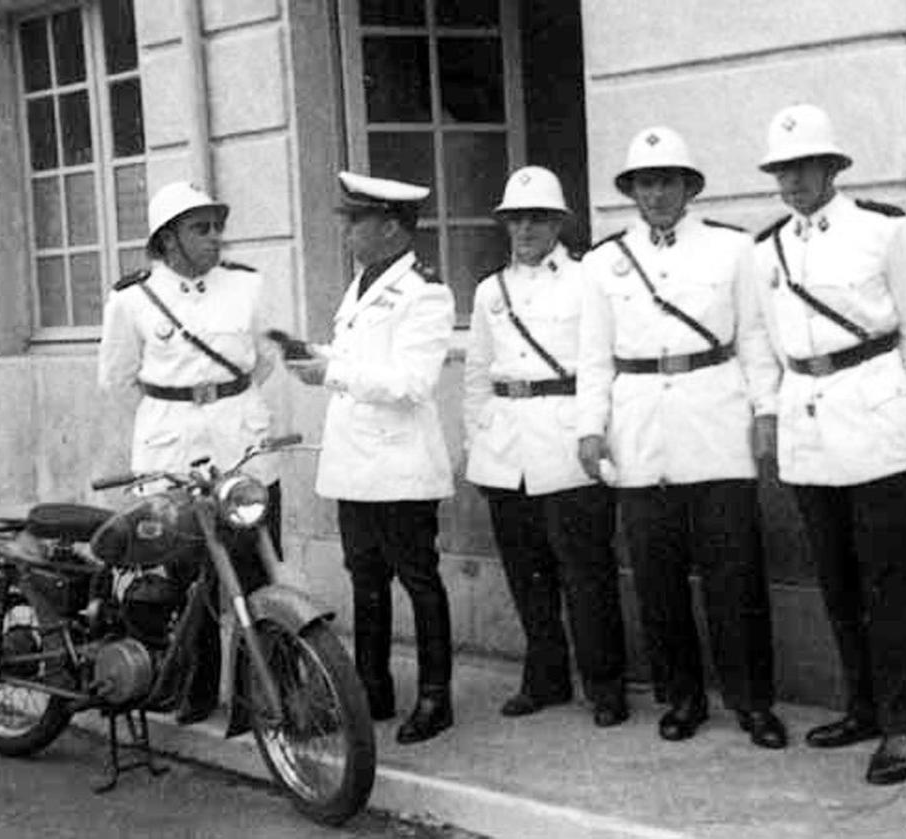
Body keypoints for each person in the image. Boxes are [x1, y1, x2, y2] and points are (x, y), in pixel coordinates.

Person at [752, 104, 906, 784]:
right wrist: (769, 412)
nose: (794, 180)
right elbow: (762, 343)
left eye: (806, 166)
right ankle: (863, 706)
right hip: (807, 426)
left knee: (890, 582)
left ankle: (902, 724)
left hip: (875, 426)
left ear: (833, 168)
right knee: (836, 580)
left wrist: (893, 405)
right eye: (782, 169)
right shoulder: (765, 250)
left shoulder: (882, 230)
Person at [575, 127, 788, 749]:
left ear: (690, 188)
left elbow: (753, 338)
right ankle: (683, 698)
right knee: (658, 578)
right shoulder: (603, 263)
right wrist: (591, 428)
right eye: (646, 182)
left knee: (736, 576)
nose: (658, 193)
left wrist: (766, 411)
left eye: (669, 181)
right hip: (641, 432)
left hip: (716, 426)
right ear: (632, 193)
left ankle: (753, 703)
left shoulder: (732, 249)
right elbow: (593, 358)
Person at [97, 181, 279, 722]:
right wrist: (177, 406)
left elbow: (264, 358)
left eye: (216, 226)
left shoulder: (247, 286)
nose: (214, 237)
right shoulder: (132, 299)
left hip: (241, 441)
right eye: (200, 228)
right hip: (171, 447)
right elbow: (117, 377)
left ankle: (257, 697)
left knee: (252, 571)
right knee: (184, 576)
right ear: (167, 239)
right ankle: (193, 692)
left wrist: (223, 402)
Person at [286, 171, 455, 744]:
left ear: (390, 226)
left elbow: (411, 382)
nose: (349, 231)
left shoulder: (426, 293)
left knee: (419, 580)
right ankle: (371, 687)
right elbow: (359, 356)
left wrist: (331, 371)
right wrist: (312, 353)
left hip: (401, 464)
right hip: (355, 462)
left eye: (356, 221)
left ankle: (436, 697)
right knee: (366, 580)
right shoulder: (363, 282)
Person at [463, 166, 628, 725]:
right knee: (527, 574)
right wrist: (478, 437)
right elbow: (477, 375)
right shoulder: (491, 290)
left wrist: (593, 431)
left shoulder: (587, 281)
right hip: (508, 450)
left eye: (538, 218)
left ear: (559, 223)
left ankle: (605, 685)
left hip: (567, 441)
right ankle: (546, 677)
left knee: (586, 574)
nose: (526, 228)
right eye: (516, 219)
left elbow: (598, 366)